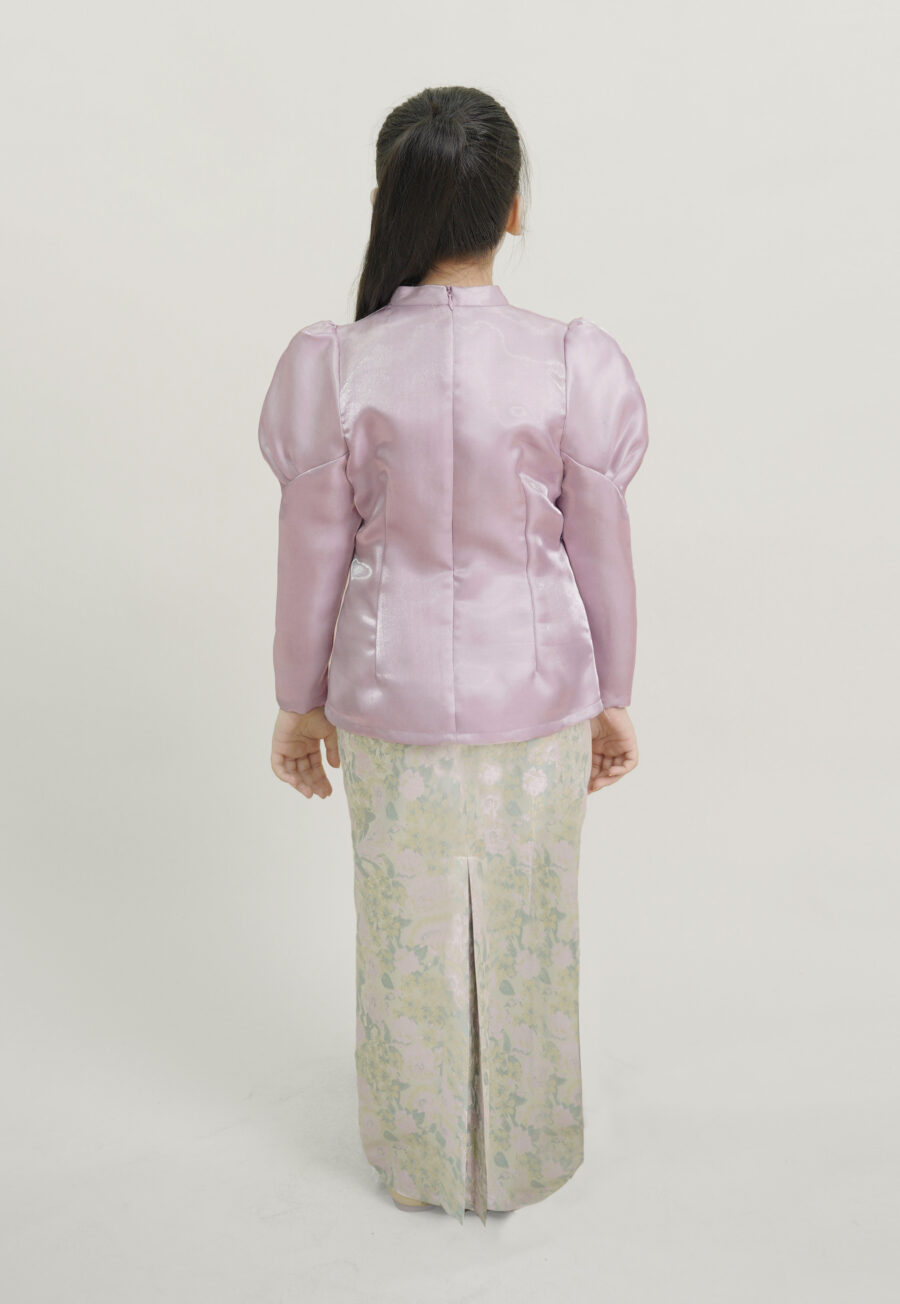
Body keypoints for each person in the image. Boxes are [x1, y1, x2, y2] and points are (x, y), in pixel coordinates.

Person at [257, 85, 649, 1226]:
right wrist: (615, 693)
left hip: (389, 694)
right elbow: (601, 548)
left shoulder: (338, 367)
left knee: (407, 934)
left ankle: (423, 1160)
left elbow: (311, 552)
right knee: (530, 923)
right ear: (512, 208)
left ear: (392, 199)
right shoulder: (571, 361)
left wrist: (297, 700)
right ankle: (528, 1155)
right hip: (542, 692)